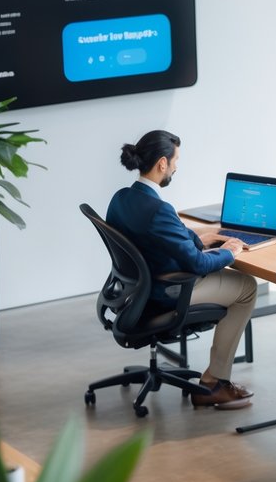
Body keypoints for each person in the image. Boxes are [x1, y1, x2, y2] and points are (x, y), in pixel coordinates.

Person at [105, 130, 256, 410]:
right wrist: (229, 252)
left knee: (233, 278)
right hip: (167, 292)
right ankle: (214, 383)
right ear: (162, 163)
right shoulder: (159, 209)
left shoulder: (122, 198)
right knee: (246, 286)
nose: (176, 167)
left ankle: (216, 378)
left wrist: (200, 238)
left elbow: (156, 235)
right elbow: (197, 264)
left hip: (135, 291)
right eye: (175, 160)